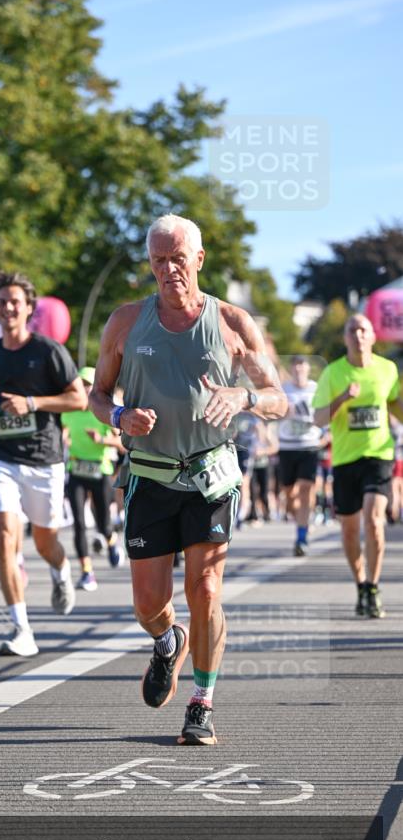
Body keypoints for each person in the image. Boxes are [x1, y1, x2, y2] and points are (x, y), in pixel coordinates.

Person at [90, 214, 287, 745]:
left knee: (205, 588)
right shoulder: (126, 323)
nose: (169, 269)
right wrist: (117, 418)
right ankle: (166, 639)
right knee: (147, 605)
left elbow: (280, 399)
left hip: (210, 475)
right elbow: (97, 395)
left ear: (199, 259)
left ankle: (201, 702)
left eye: (178, 258)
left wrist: (243, 397)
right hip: (150, 477)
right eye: (158, 260)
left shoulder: (232, 323)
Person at [0, 270, 87, 657]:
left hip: (44, 458)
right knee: (6, 534)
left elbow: (79, 400)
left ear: (29, 309)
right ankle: (21, 628)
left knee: (45, 542)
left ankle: (61, 570)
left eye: (15, 302)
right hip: (0, 456)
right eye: (2, 302)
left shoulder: (48, 351)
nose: (8, 308)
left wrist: (33, 404)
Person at [313, 314, 402, 618]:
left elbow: (393, 402)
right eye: (353, 330)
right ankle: (361, 584)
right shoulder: (333, 373)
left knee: (374, 520)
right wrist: (341, 398)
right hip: (345, 459)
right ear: (346, 338)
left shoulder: (388, 369)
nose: (359, 335)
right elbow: (319, 419)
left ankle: (374, 587)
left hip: (379, 454)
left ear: (373, 336)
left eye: (364, 329)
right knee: (350, 532)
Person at [61, 366, 125, 591]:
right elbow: (64, 431)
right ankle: (87, 572)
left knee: (103, 523)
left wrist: (102, 440)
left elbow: (123, 445)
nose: (85, 389)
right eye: (82, 384)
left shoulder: (104, 411)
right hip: (77, 469)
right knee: (78, 523)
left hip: (101, 470)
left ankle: (111, 540)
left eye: (89, 384)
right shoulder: (69, 410)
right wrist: (64, 440)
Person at [278, 356, 325, 555]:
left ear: (307, 368)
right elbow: (272, 414)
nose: (298, 369)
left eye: (302, 365)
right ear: (292, 368)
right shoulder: (283, 389)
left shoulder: (316, 389)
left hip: (309, 447)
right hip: (287, 447)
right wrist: (283, 411)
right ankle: (301, 520)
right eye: (295, 365)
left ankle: (301, 538)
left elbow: (325, 414)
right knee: (289, 497)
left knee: (306, 490)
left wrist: (326, 434)